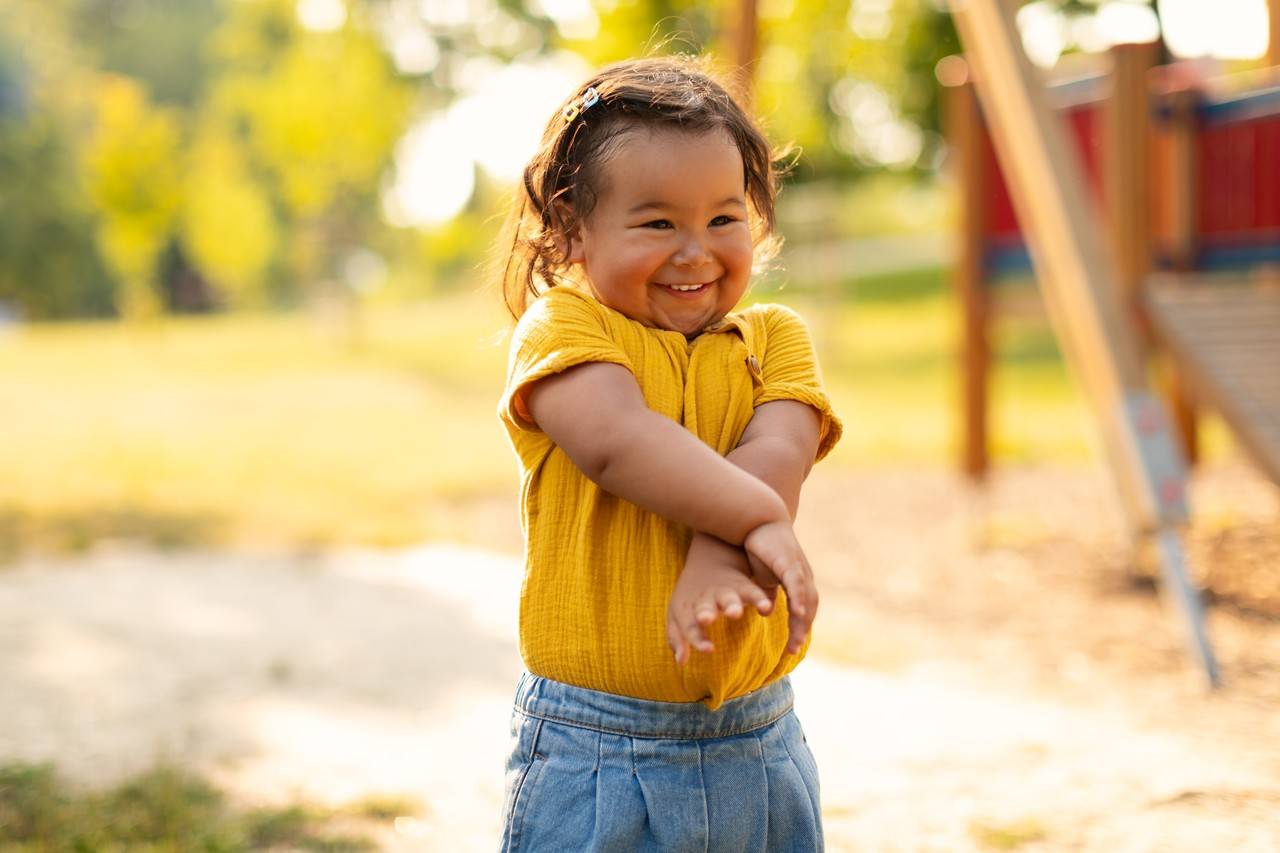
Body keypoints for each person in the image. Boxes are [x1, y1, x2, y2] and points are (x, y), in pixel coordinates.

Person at [495, 54, 842, 851]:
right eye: (658, 222)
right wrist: (756, 523)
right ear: (572, 226)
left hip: (759, 742)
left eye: (724, 218)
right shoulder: (563, 330)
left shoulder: (776, 338)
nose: (696, 252)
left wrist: (723, 552)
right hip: (597, 751)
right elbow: (620, 442)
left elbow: (780, 446)